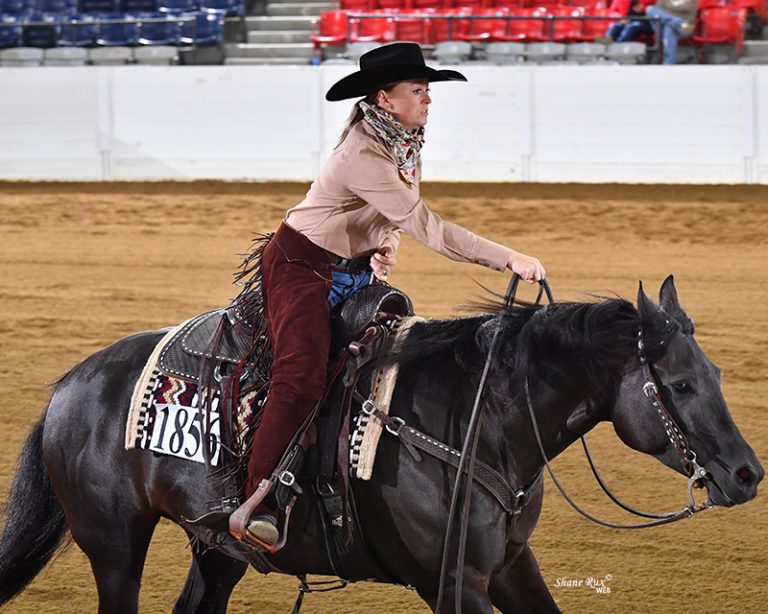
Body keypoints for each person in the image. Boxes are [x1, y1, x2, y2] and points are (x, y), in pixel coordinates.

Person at [234, 42, 546, 547]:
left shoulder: (403, 142)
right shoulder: (363, 152)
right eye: (418, 90)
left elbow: (397, 213)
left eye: (427, 90)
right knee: (300, 374)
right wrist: (507, 257)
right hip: (300, 267)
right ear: (385, 98)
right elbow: (425, 223)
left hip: (351, 267)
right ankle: (259, 499)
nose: (428, 99)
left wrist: (384, 248)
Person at [646, 0, 699, 64]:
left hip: (685, 27)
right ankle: (678, 22)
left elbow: (686, 6)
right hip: (676, 25)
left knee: (670, 28)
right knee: (650, 9)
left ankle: (668, 63)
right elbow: (658, 8)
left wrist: (668, 4)